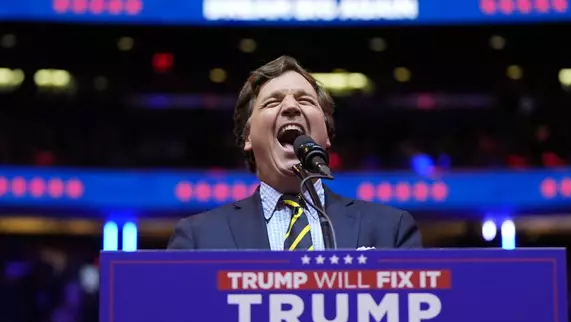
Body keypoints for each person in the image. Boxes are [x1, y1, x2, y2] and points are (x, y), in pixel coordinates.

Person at [167, 56, 422, 250]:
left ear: (327, 137)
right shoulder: (198, 238)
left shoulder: (392, 230)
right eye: (273, 102)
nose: (290, 106)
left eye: (306, 101)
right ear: (247, 138)